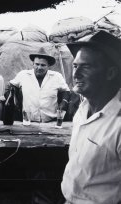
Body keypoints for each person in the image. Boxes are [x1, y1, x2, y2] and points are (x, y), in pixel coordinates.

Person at [61, 30, 121, 203]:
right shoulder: (82, 110)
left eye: (86, 67)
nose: (76, 74)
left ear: (110, 73)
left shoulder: (117, 122)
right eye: (75, 66)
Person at [9, 47, 70, 122]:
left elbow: (66, 91)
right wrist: (14, 97)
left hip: (51, 122)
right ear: (33, 64)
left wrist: (64, 101)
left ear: (48, 66)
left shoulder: (56, 76)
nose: (39, 67)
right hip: (28, 122)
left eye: (43, 65)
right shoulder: (23, 75)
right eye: (37, 64)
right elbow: (12, 85)